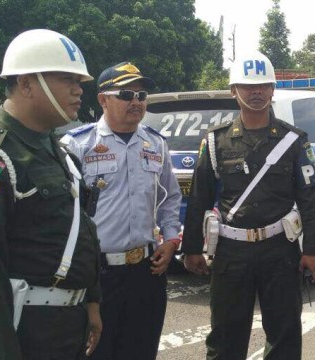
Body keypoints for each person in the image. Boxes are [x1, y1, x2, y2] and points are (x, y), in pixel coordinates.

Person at [0, 29, 102, 359]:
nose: (79, 90)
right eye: (67, 78)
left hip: (65, 327)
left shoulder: (56, 149)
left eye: (79, 81)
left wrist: (91, 300)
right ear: (25, 84)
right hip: (23, 330)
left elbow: (82, 229)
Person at [183, 51, 315, 359]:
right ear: (234, 91)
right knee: (225, 339)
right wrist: (191, 247)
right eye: (248, 86)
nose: (256, 92)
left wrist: (313, 250)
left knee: (284, 337)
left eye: (263, 86)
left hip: (280, 251)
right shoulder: (216, 141)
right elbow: (199, 197)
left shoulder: (293, 140)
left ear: (272, 90)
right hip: (231, 254)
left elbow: (309, 200)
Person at [61, 62, 182, 360]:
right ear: (103, 99)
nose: (137, 102)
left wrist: (169, 240)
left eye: (142, 95)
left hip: (146, 271)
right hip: (97, 274)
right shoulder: (77, 145)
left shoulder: (155, 143)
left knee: (141, 351)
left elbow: (170, 198)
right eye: (126, 94)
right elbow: (63, 214)